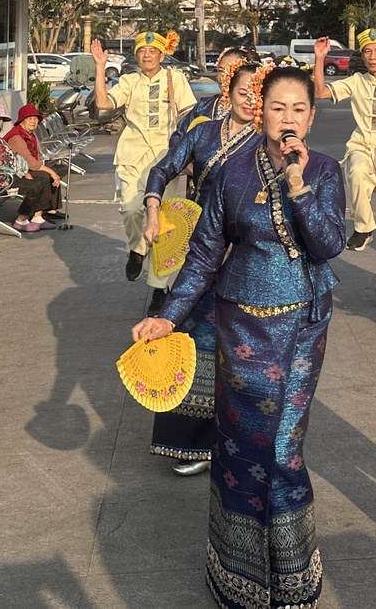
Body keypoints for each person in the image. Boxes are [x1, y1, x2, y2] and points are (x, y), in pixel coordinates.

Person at [132, 66, 346, 609]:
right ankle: (239, 574)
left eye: (299, 109)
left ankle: (292, 577)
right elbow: (205, 254)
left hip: (302, 325)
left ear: (311, 117)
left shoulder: (324, 170)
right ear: (261, 113)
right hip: (240, 323)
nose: (288, 118)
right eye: (277, 107)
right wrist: (169, 317)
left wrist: (298, 186)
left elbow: (328, 244)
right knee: (239, 442)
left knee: (283, 447)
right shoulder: (232, 174)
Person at [139, 61, 265, 472]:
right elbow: (162, 169)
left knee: (241, 349)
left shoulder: (266, 142)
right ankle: (193, 443)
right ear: (228, 90)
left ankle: (237, 440)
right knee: (194, 338)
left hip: (245, 253)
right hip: (202, 249)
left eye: (258, 95)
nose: (250, 101)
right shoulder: (203, 133)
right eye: (244, 92)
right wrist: (153, 210)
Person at [314, 28, 376, 314]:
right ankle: (364, 227)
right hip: (362, 146)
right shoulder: (356, 81)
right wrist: (320, 58)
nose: (373, 56)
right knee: (356, 171)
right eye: (367, 51)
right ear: (362, 56)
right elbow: (320, 92)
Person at [93, 32, 196, 283]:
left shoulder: (175, 78)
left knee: (163, 220)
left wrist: (189, 153)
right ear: (136, 55)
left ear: (161, 55)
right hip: (132, 155)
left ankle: (160, 287)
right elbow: (104, 103)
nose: (147, 55)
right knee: (130, 209)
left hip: (165, 158)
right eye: (142, 50)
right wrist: (100, 67)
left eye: (152, 51)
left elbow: (189, 118)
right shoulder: (129, 81)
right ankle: (137, 249)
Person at [4, 103, 65, 231]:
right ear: (22, 120)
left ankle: (45, 212)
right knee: (45, 176)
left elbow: (36, 157)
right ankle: (39, 214)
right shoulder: (16, 136)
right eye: (29, 118)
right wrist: (49, 171)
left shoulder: (31, 135)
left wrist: (50, 170)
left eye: (35, 118)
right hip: (15, 172)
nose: (33, 121)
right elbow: (30, 162)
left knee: (51, 172)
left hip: (25, 168)